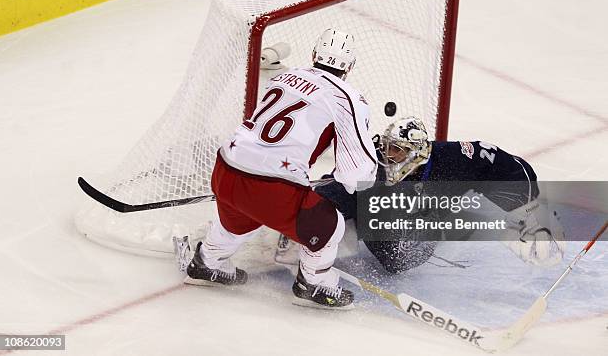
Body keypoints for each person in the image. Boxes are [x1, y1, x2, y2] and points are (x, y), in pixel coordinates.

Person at [185, 29, 377, 309]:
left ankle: (206, 261)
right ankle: (314, 284)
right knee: (329, 226)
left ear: (313, 55)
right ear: (349, 67)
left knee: (238, 220)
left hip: (226, 166)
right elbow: (356, 173)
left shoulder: (285, 76)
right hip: (272, 186)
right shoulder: (347, 98)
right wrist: (362, 178)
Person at [287, 116, 565, 274]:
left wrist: (530, 210)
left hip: (421, 217)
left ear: (417, 153)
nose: (388, 155)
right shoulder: (373, 164)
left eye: (397, 150)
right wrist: (305, 213)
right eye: (387, 146)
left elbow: (512, 165)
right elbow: (339, 187)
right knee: (349, 209)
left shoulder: (451, 159)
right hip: (387, 209)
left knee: (396, 259)